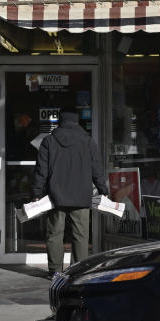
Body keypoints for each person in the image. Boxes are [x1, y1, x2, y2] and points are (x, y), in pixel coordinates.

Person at [32, 107, 109, 278]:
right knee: (80, 235)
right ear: (77, 121)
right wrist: (103, 188)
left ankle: (55, 271)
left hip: (55, 196)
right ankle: (79, 270)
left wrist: (37, 191)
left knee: (54, 233)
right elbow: (97, 168)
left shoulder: (49, 141)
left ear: (60, 121)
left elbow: (41, 170)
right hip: (81, 195)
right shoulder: (87, 141)